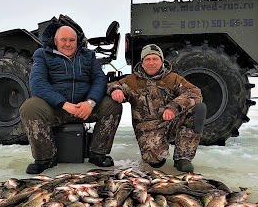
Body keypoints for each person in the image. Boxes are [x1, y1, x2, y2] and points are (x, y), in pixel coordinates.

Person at [19, 22, 123, 174]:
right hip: (56, 108)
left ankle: (98, 153)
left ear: (77, 41)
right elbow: (38, 83)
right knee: (30, 107)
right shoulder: (42, 54)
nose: (68, 44)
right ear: (55, 40)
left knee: (113, 105)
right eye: (63, 40)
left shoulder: (88, 55)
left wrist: (90, 103)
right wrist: (63, 104)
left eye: (72, 40)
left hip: (85, 108)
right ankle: (45, 157)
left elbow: (99, 80)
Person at [107, 44, 206, 173]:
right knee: (156, 163)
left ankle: (183, 157)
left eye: (155, 59)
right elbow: (112, 84)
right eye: (147, 59)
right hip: (148, 128)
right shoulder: (132, 81)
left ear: (161, 61)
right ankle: (159, 151)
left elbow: (195, 92)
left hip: (171, 121)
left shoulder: (173, 78)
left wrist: (173, 107)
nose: (151, 63)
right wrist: (115, 90)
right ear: (142, 63)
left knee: (198, 109)